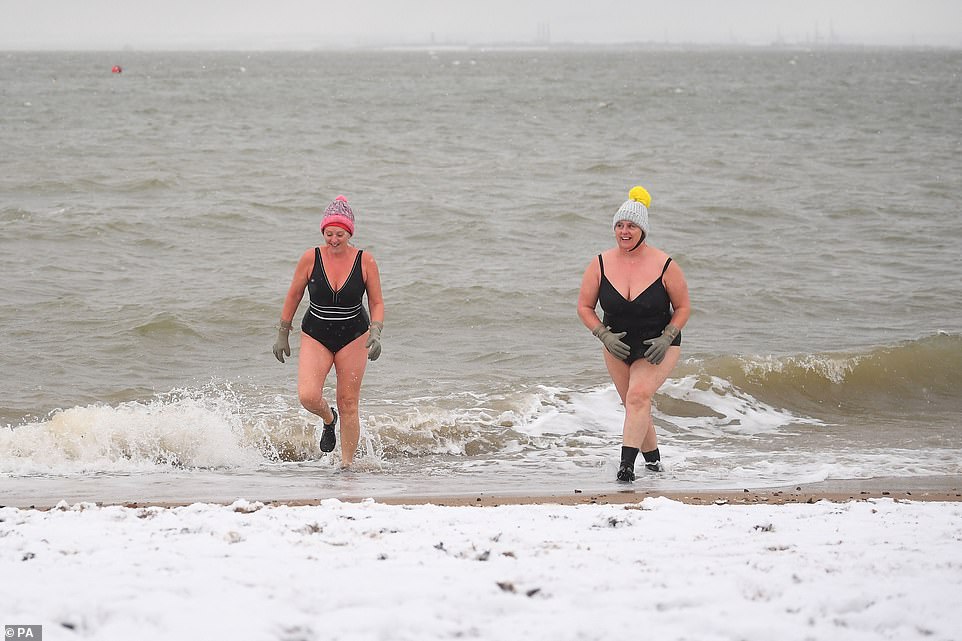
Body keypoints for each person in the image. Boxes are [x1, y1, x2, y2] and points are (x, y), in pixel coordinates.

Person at [577, 186, 690, 482]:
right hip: (617, 346)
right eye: (619, 225)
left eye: (631, 226)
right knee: (634, 404)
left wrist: (667, 337)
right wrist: (603, 334)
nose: (624, 231)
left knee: (638, 397)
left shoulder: (665, 265)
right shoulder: (600, 263)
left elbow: (683, 307)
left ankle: (625, 469)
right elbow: (584, 307)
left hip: (657, 345)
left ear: (643, 230)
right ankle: (654, 465)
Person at [272, 195, 384, 467]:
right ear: (323, 232)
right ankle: (328, 418)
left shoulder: (365, 261)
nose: (334, 239)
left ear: (350, 233)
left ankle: (346, 465)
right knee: (308, 396)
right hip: (316, 334)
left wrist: (376, 331)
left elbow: (377, 302)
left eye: (340, 234)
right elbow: (294, 295)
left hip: (354, 336)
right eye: (329, 233)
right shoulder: (310, 257)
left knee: (349, 403)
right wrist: (283, 332)